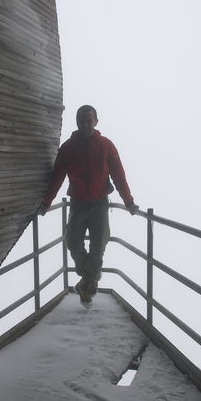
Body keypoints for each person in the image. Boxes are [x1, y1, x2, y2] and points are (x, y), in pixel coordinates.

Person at [38, 105, 138, 308]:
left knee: (98, 246)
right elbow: (57, 178)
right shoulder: (67, 149)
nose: (85, 124)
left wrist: (128, 201)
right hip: (78, 203)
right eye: (81, 121)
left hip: (100, 203)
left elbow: (118, 175)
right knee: (72, 241)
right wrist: (47, 202)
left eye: (89, 120)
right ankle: (90, 278)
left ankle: (86, 290)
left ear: (96, 122)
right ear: (76, 122)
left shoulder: (106, 146)